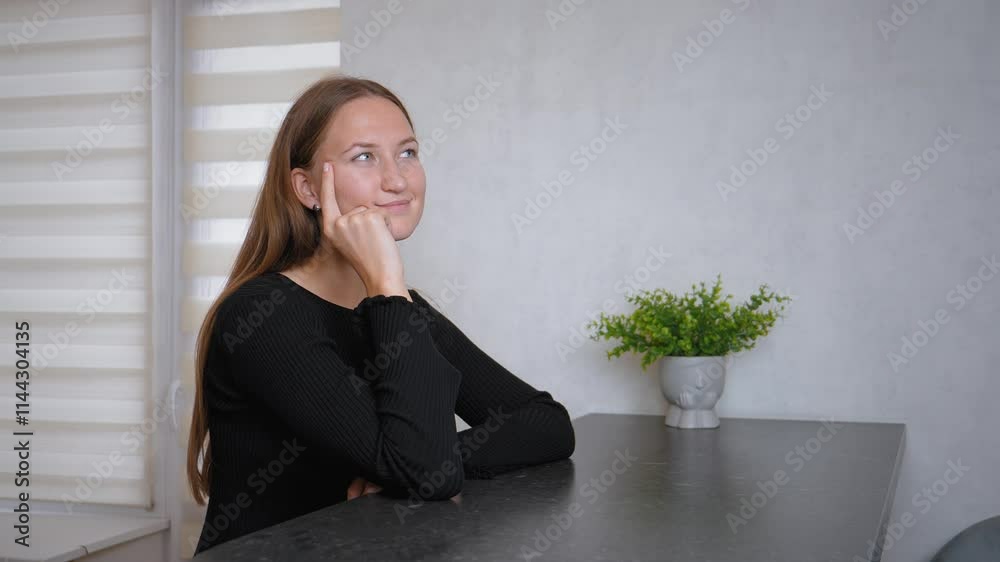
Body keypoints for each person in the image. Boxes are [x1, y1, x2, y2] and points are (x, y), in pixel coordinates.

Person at [186, 75, 576, 554]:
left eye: (407, 152)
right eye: (364, 157)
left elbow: (547, 422)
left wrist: (428, 461)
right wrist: (387, 286)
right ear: (307, 187)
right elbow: (428, 474)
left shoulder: (397, 309)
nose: (397, 179)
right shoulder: (262, 317)